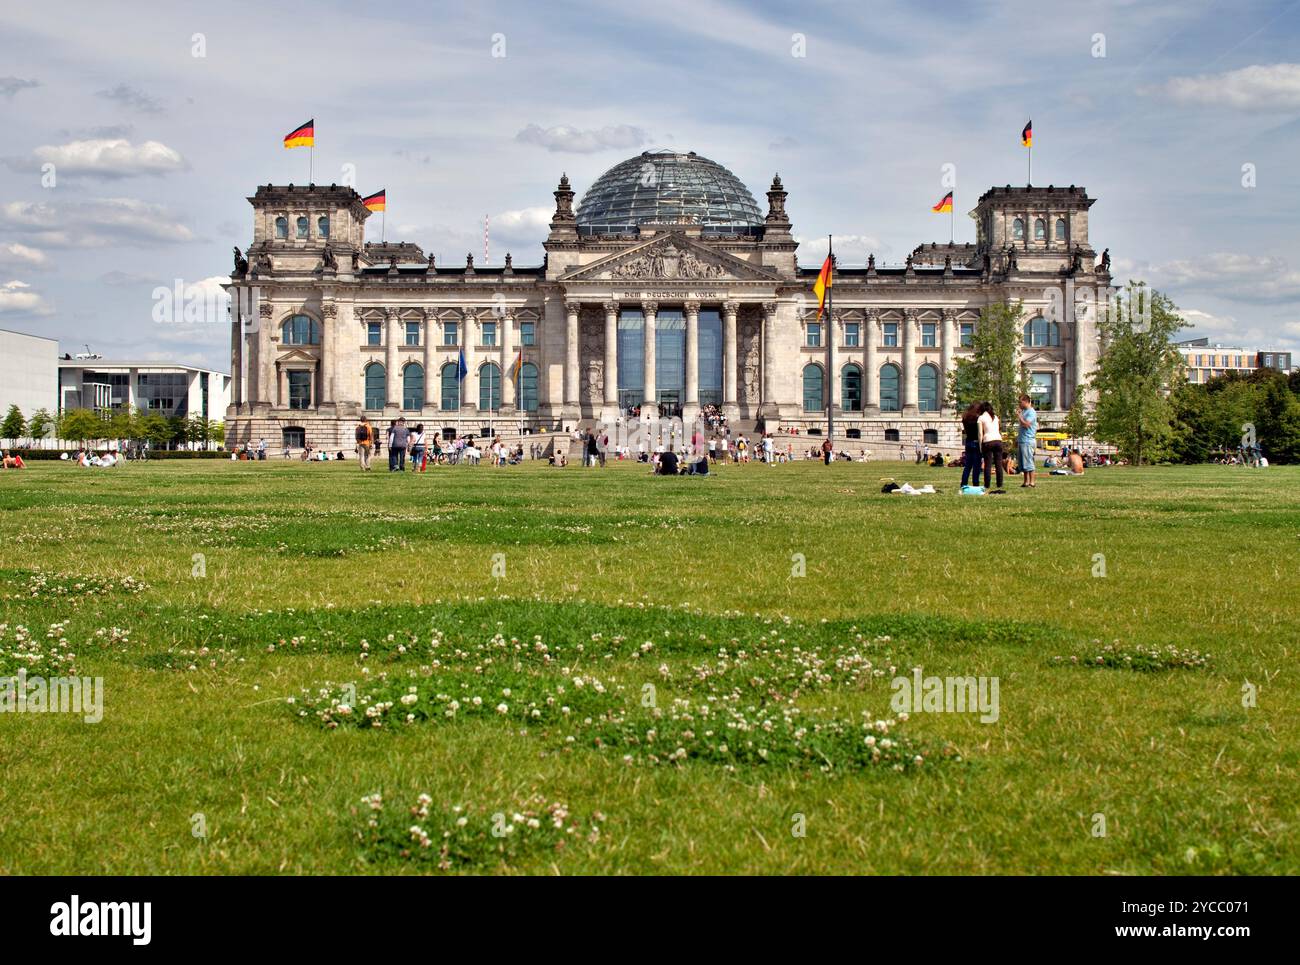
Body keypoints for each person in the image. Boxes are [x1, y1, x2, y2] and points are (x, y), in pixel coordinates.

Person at [978, 401, 1004, 492]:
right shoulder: (996, 417)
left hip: (988, 441)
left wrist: (980, 445)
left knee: (988, 464)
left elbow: (980, 433)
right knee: (998, 464)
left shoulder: (981, 418)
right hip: (998, 440)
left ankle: (987, 484)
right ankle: (1000, 483)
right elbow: (998, 429)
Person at [1016, 394, 1038, 488]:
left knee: (1029, 462)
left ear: (1026, 401)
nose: (1019, 404)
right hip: (1022, 440)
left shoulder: (1031, 412)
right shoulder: (1024, 411)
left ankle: (1032, 482)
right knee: (1023, 463)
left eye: (1020, 402)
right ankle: (1026, 481)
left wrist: (1019, 416)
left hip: (1028, 440)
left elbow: (1027, 424)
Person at [959, 403, 983, 487]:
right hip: (976, 442)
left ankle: (964, 482)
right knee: (976, 465)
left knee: (968, 465)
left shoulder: (965, 418)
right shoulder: (978, 418)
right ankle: (975, 483)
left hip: (968, 441)